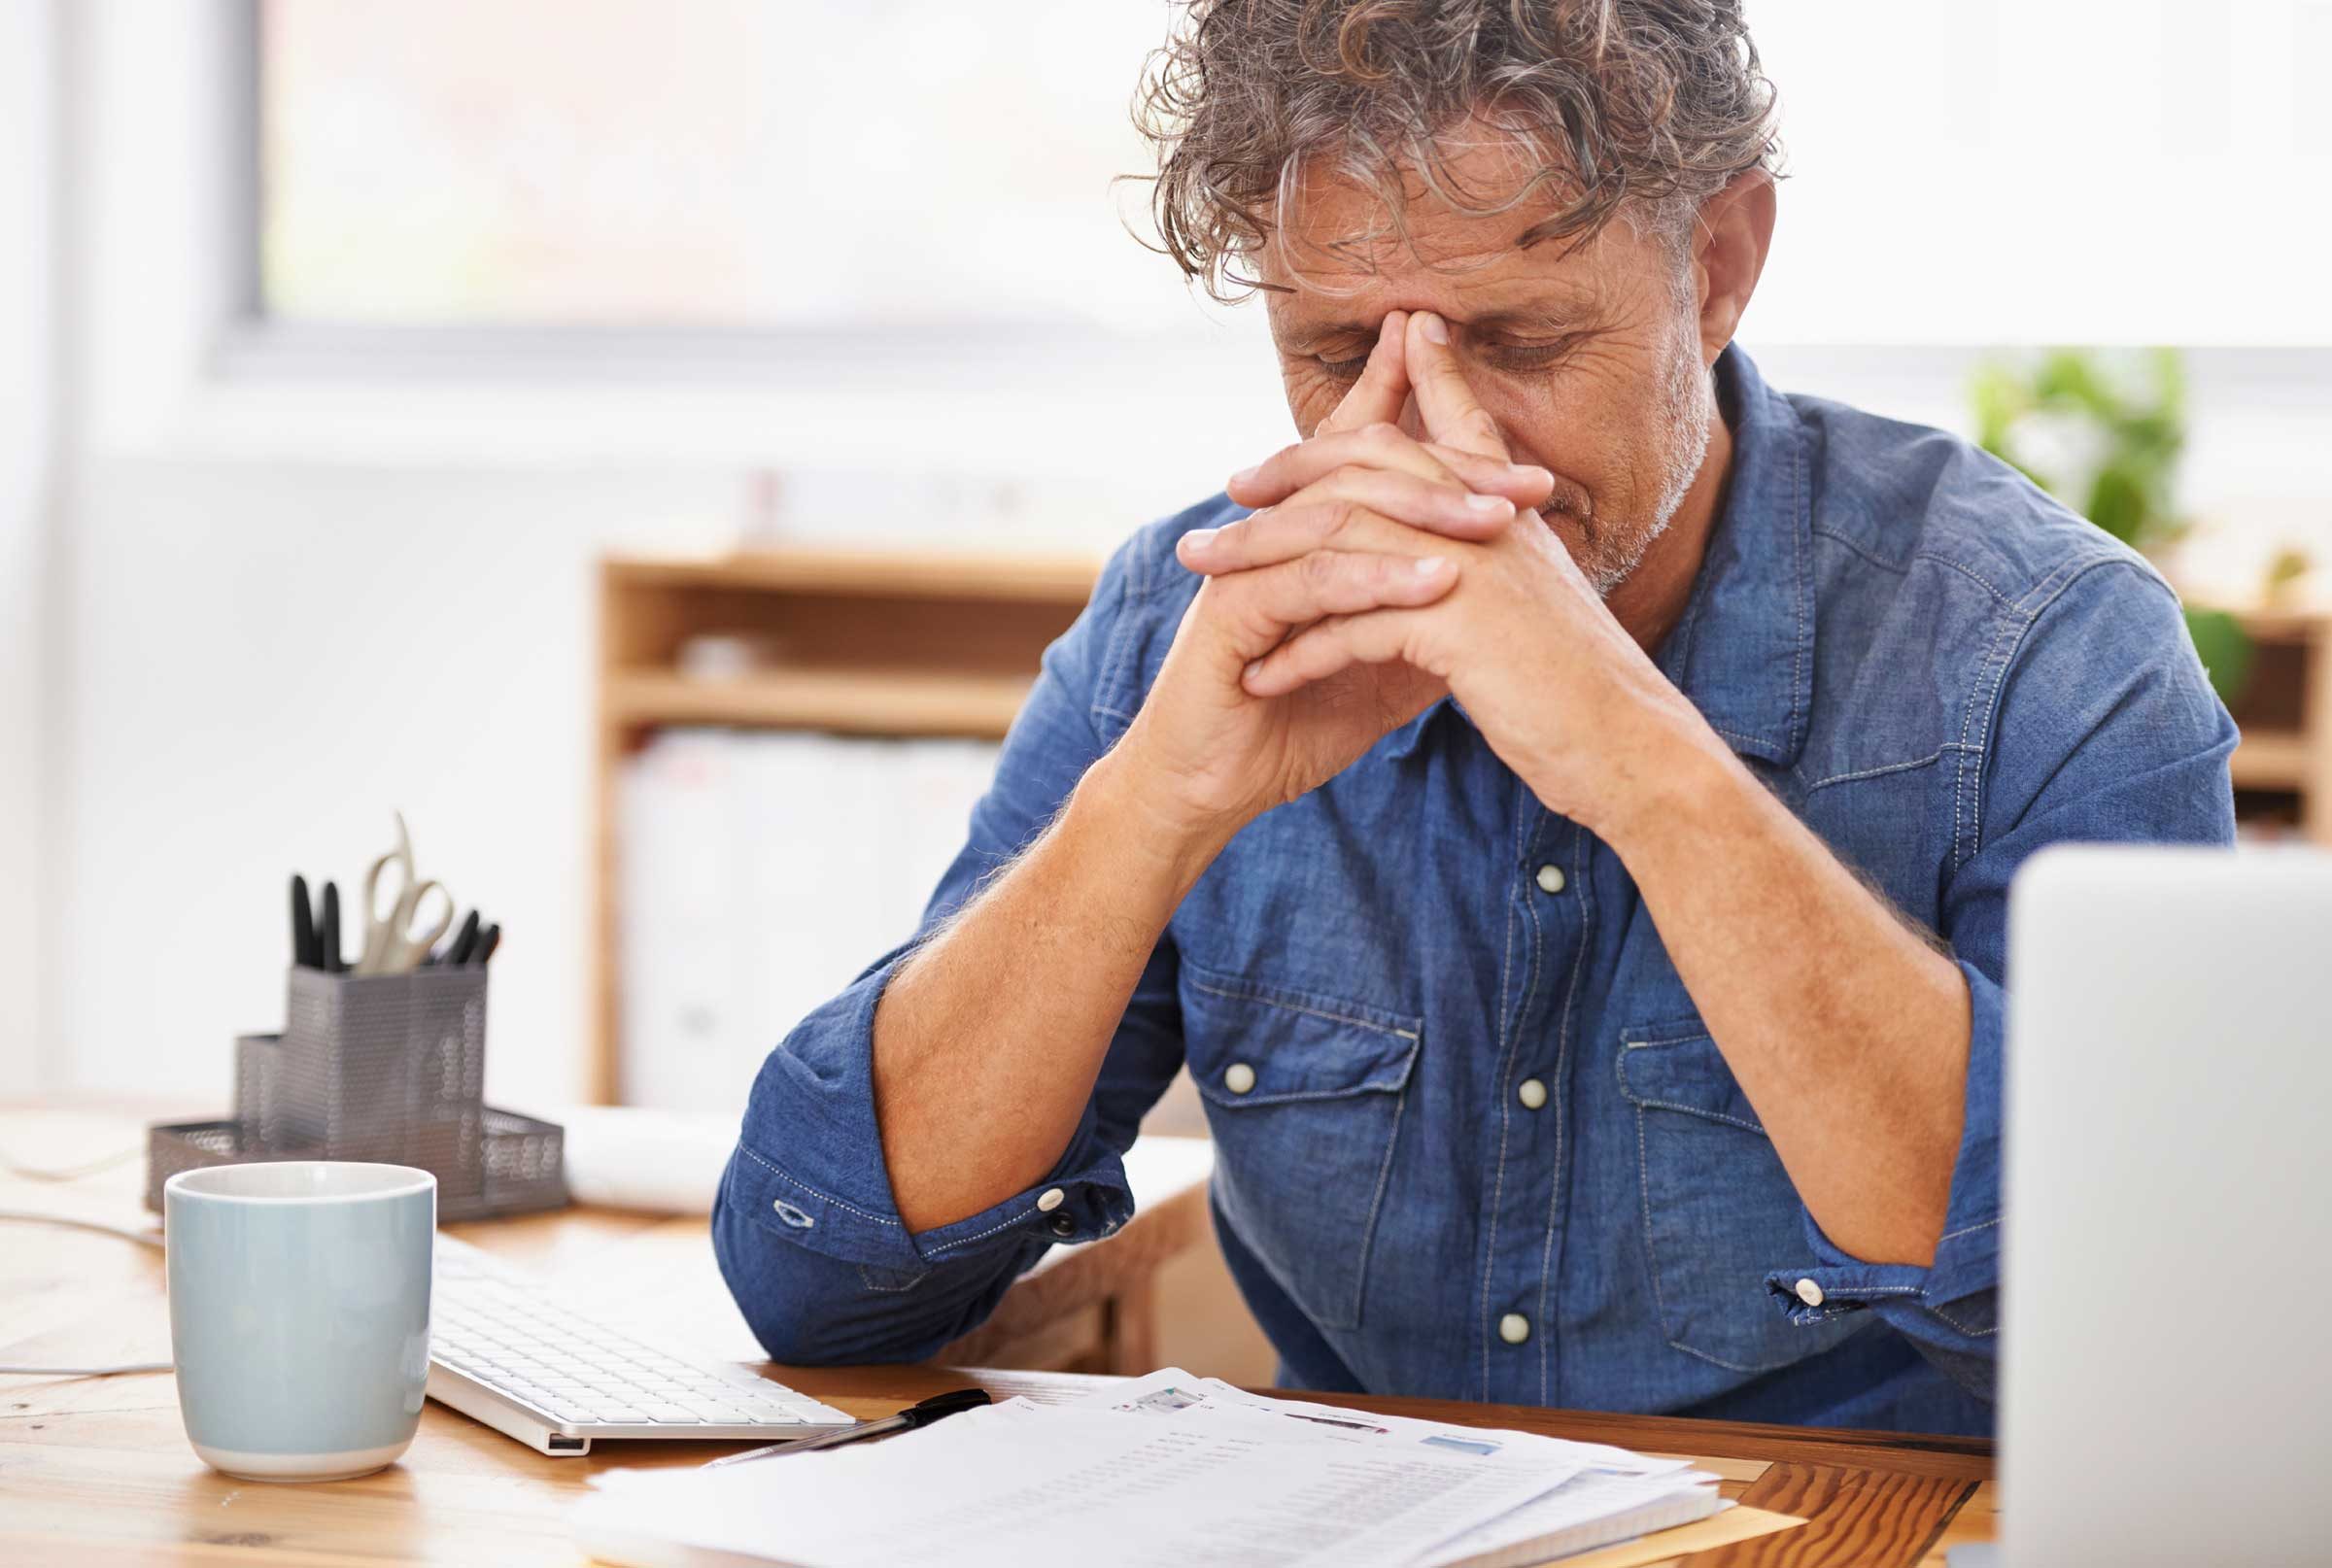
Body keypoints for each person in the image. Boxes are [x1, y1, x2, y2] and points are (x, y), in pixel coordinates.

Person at [711, 0, 2235, 1435]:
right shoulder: (1181, 627)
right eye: (1333, 355)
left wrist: (1643, 763)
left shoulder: (2042, 651)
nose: (1438, 444)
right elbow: (819, 1283)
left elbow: (2142, 1341)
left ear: (1719, 262)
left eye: (1517, 345)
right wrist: (1155, 802)